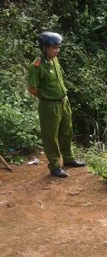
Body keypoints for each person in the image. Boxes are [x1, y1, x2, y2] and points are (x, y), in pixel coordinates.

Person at [27, 31, 86, 178]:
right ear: (44, 48)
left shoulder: (55, 60)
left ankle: (69, 158)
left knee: (67, 131)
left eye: (58, 47)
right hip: (49, 105)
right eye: (54, 48)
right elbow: (32, 89)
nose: (57, 50)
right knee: (50, 136)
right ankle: (54, 166)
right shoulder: (36, 66)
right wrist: (46, 98)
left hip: (63, 101)